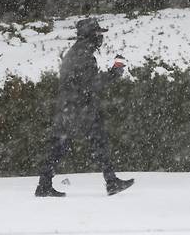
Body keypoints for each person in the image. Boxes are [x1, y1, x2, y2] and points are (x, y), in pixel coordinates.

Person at [35, 17, 134, 197]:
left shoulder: (78, 52)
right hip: (78, 109)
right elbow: (90, 84)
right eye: (97, 33)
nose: (100, 37)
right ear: (89, 35)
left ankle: (44, 184)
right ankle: (110, 181)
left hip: (71, 108)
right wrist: (113, 73)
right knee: (83, 143)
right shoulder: (82, 55)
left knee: (66, 145)